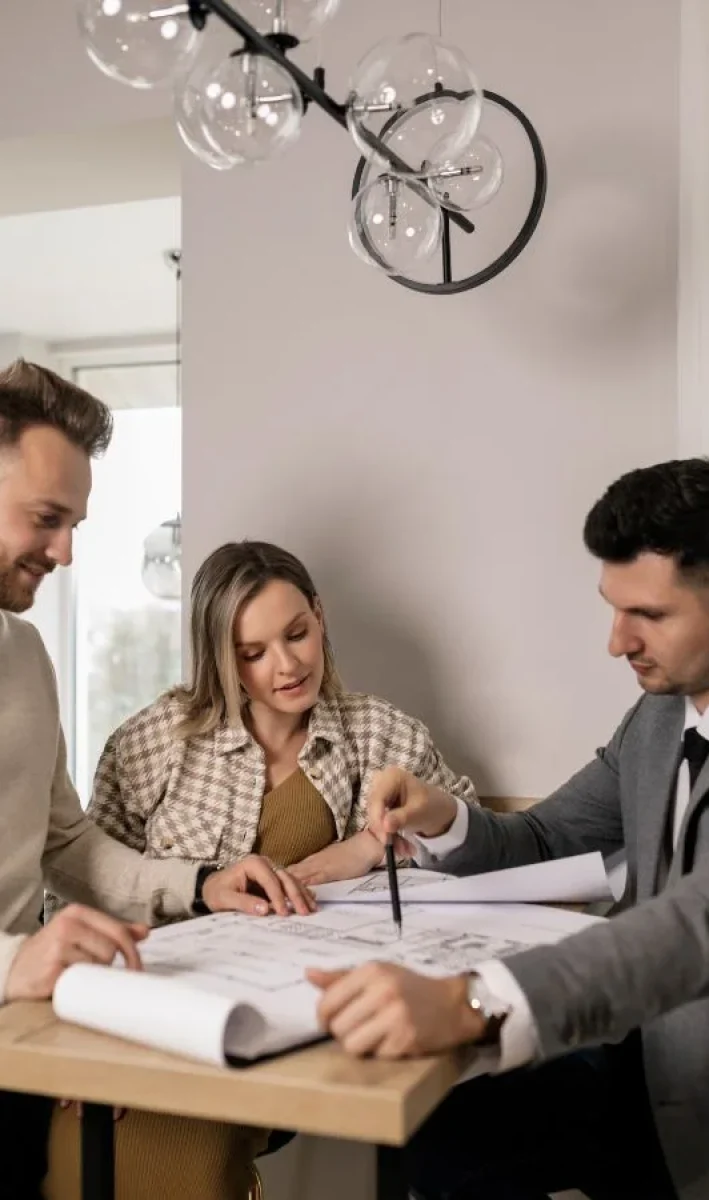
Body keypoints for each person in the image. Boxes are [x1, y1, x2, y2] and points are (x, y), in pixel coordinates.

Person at [312, 457, 709, 1200]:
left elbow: (692, 925)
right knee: (442, 1123)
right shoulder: (657, 718)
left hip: (696, 1094)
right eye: (611, 607)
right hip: (642, 1063)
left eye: (647, 616)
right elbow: (546, 838)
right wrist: (442, 815)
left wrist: (474, 1001)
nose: (615, 642)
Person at [45, 536, 479, 1199]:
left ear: (319, 613)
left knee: (192, 1170)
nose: (285, 665)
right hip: (146, 1015)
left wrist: (363, 849)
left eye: (297, 634)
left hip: (281, 1027)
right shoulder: (152, 742)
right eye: (252, 653)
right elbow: (83, 889)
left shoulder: (379, 734)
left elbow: (472, 840)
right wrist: (84, 1030)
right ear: (218, 657)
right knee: (83, 1169)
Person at [0, 360, 312, 1199]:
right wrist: (13, 966)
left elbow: (64, 840)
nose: (65, 552)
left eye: (75, 523)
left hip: (17, 1048)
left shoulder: (24, 655)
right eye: (46, 519)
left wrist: (204, 884)